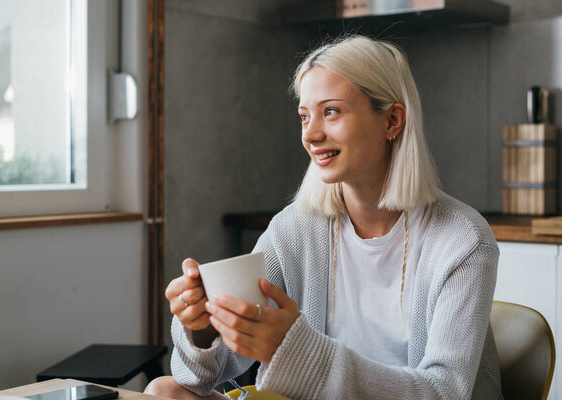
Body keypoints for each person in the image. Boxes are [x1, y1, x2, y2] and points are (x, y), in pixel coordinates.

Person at [145, 35, 503, 399]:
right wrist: (202, 326)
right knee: (165, 390)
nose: (311, 134)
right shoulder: (293, 229)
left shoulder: (462, 239)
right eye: (304, 116)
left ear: (392, 120)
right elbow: (202, 377)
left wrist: (295, 351)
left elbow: (444, 393)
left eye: (331, 111)